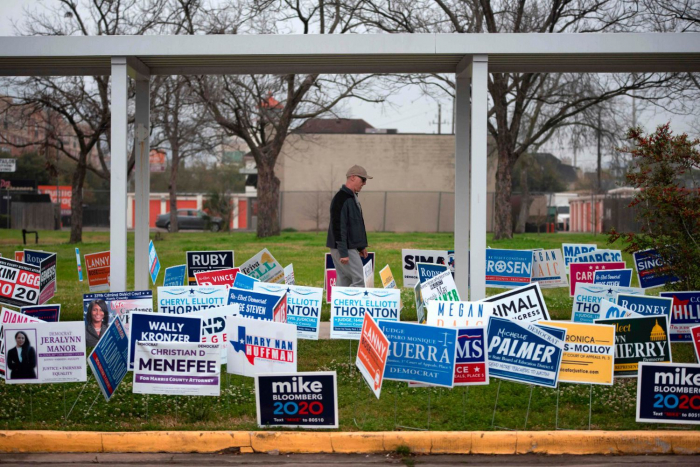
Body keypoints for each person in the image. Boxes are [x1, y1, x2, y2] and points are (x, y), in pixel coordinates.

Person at [326, 165, 372, 287]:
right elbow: (338, 226)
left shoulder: (351, 198)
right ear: (352, 177)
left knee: (344, 281)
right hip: (344, 247)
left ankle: (339, 306)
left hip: (346, 246)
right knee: (359, 280)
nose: (364, 183)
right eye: (363, 179)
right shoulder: (341, 198)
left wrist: (361, 246)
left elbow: (354, 225)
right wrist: (344, 252)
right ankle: (354, 306)